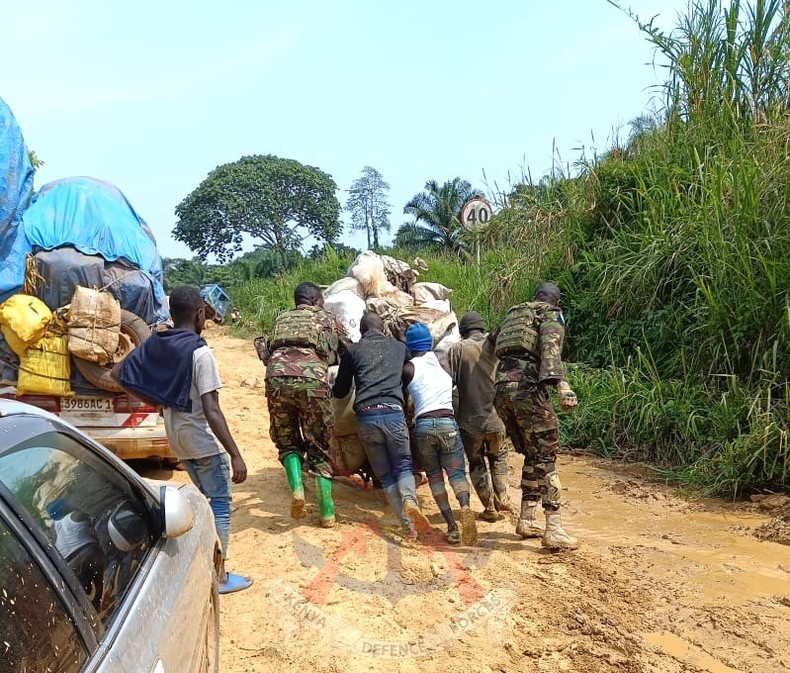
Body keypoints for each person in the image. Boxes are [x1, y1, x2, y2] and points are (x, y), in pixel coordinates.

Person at [113, 285, 251, 593]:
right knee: (220, 506)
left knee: (204, 503)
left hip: (178, 441)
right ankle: (219, 577)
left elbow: (117, 374)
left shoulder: (158, 342)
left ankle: (203, 566)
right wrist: (236, 455)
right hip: (203, 441)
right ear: (200, 313)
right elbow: (212, 409)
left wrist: (158, 402)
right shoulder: (201, 352)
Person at [492, 282, 579, 550]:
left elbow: (492, 342)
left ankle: (527, 519)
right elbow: (551, 354)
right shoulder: (550, 315)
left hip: (500, 393)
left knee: (532, 454)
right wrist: (564, 388)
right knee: (546, 455)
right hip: (527, 392)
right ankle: (554, 528)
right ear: (557, 302)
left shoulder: (514, 315)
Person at [332, 311, 429, 539]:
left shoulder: (353, 351)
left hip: (366, 417)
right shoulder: (398, 348)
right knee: (404, 465)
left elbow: (341, 390)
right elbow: (409, 374)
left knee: (385, 474)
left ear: (361, 331)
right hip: (394, 414)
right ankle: (409, 500)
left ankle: (408, 526)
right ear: (383, 328)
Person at [265, 281, 349, 528]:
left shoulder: (282, 319)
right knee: (319, 444)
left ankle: (298, 490)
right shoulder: (327, 318)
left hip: (276, 378)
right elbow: (348, 349)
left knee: (287, 440)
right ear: (315, 301)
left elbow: (267, 350)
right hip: (313, 380)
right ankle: (326, 513)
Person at [403, 323, 478, 546]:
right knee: (456, 473)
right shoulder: (444, 360)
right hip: (447, 422)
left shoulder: (407, 368)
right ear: (430, 342)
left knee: (435, 476)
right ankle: (464, 507)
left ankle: (452, 527)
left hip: (424, 426)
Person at [444, 311, 513, 522]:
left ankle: (489, 508)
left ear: (463, 331)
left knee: (476, 463)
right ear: (482, 328)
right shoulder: (497, 347)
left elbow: (449, 383)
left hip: (470, 422)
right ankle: (503, 496)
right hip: (497, 420)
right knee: (499, 457)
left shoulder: (458, 349)